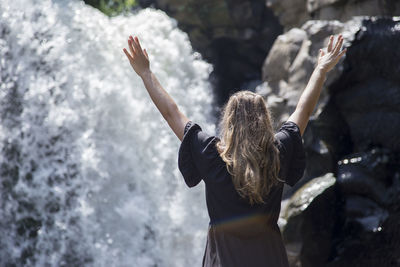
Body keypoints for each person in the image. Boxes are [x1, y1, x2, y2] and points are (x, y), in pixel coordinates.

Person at [123, 34, 346, 267]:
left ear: (228, 121)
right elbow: (304, 110)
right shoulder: (277, 152)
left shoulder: (211, 154)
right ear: (264, 120)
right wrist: (320, 69)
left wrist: (146, 73)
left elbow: (172, 113)